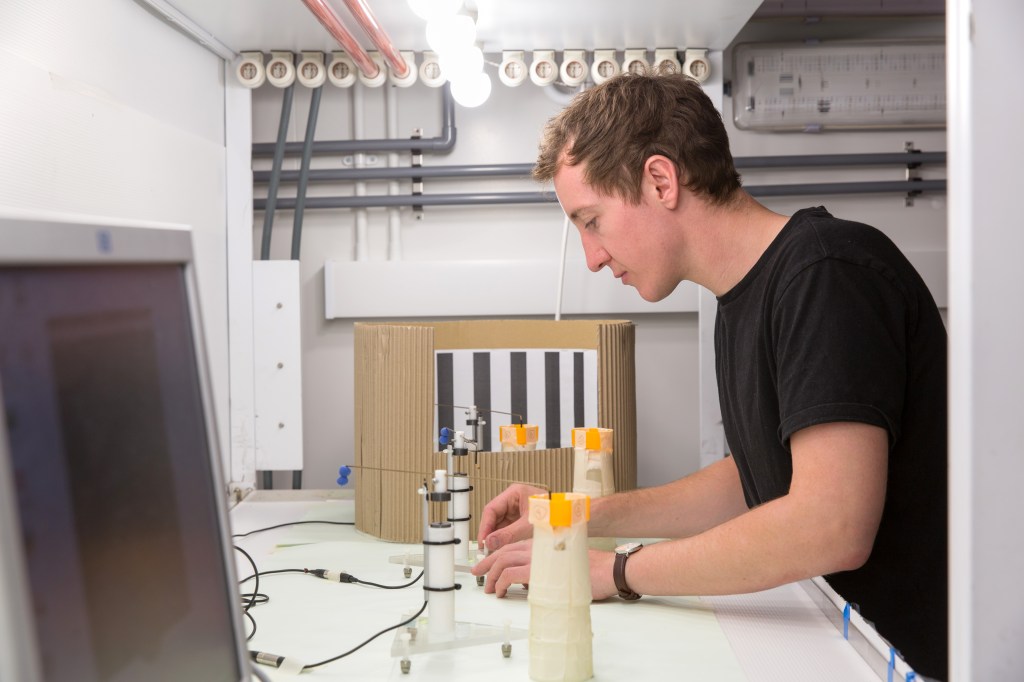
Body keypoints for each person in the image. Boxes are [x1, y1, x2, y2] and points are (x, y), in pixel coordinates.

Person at [470, 72, 948, 681]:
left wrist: (615, 570)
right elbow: (758, 477)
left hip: (914, 661)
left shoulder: (826, 275)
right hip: (849, 642)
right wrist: (574, 515)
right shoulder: (743, 300)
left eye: (591, 221)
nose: (591, 257)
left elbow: (831, 524)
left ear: (661, 180)